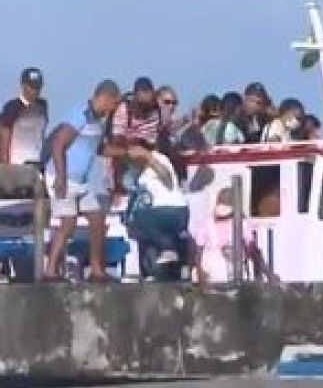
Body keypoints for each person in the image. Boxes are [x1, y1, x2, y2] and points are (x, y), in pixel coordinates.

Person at [44, 80, 124, 281]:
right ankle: (50, 270)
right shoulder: (80, 114)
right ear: (105, 98)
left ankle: (97, 269)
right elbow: (58, 144)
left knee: (97, 220)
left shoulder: (98, 122)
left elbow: (98, 149)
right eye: (114, 104)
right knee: (68, 223)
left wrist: (127, 153)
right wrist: (61, 178)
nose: (113, 109)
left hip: (82, 180)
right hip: (63, 176)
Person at [125, 140, 189, 281]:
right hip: (155, 213)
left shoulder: (158, 158)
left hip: (170, 209)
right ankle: (155, 272)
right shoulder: (139, 172)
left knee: (140, 218)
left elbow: (167, 178)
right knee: (139, 228)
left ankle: (168, 248)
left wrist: (148, 156)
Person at [192, 187, 244, 284]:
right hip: (211, 266)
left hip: (234, 266)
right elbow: (198, 250)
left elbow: (252, 248)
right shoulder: (207, 223)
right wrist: (200, 271)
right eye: (221, 201)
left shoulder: (242, 223)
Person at [0, 67, 49, 167]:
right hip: (17, 161)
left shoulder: (42, 105)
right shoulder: (13, 106)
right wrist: (5, 161)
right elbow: (5, 132)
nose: (35, 91)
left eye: (38, 87)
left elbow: (41, 132)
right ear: (23, 86)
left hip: (37, 161)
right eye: (32, 87)